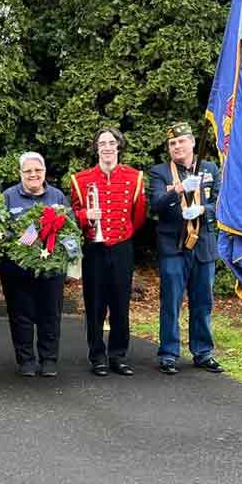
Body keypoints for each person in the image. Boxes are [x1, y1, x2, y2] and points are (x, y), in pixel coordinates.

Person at [70, 128, 147, 377]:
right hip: (94, 248)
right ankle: (97, 356)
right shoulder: (80, 179)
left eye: (111, 142)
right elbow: (72, 215)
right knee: (95, 304)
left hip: (122, 246)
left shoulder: (134, 177)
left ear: (118, 146)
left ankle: (118, 355)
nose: (107, 147)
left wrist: (122, 235)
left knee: (120, 303)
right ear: (96, 148)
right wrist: (85, 216)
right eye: (102, 143)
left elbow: (138, 216)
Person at [149, 122, 223, 375]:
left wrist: (203, 210)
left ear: (192, 142)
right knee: (171, 301)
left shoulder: (210, 169)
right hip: (174, 245)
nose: (177, 146)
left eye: (181, 141)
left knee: (203, 302)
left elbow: (222, 204)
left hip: (203, 244)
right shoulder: (160, 172)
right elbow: (156, 204)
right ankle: (169, 354)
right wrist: (179, 189)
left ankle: (203, 352)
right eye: (172, 143)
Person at [0, 152, 71, 378]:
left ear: (44, 172)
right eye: (28, 171)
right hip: (16, 268)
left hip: (52, 268)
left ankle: (49, 359)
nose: (33, 174)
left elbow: (70, 228)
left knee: (50, 314)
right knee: (20, 314)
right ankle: (26, 360)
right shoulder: (8, 196)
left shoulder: (57, 196)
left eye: (38, 170)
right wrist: (20, 240)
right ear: (20, 173)